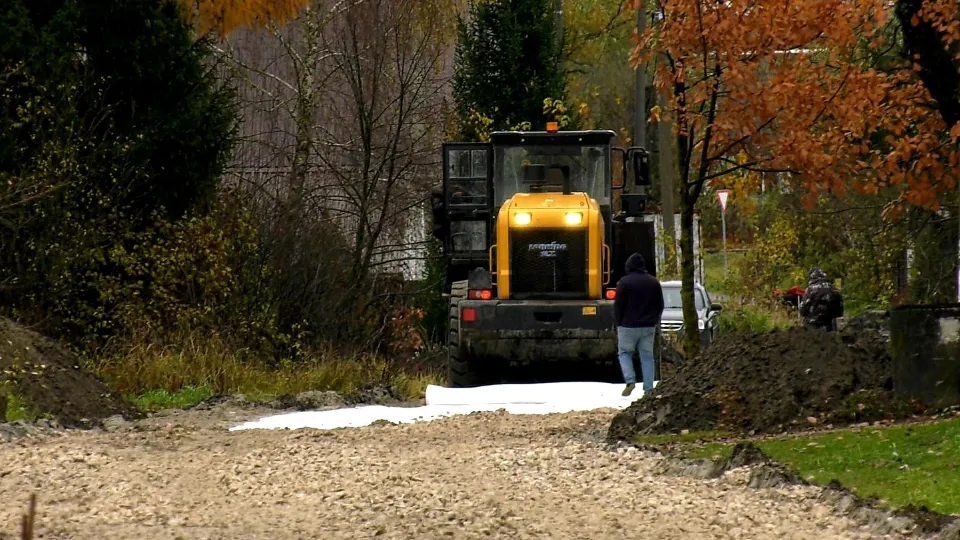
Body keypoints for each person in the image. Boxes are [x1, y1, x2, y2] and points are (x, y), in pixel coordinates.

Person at [614, 253, 664, 397]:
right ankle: (648, 389)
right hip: (648, 326)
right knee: (647, 357)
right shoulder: (654, 282)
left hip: (627, 326)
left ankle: (630, 381)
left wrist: (618, 323)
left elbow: (619, 306)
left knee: (624, 353)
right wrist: (654, 320)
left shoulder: (624, 282)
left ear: (629, 266)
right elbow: (660, 305)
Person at [799, 267, 844, 331]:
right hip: (831, 326)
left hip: (814, 324)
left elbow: (802, 310)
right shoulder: (834, 289)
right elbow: (840, 309)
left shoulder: (811, 289)